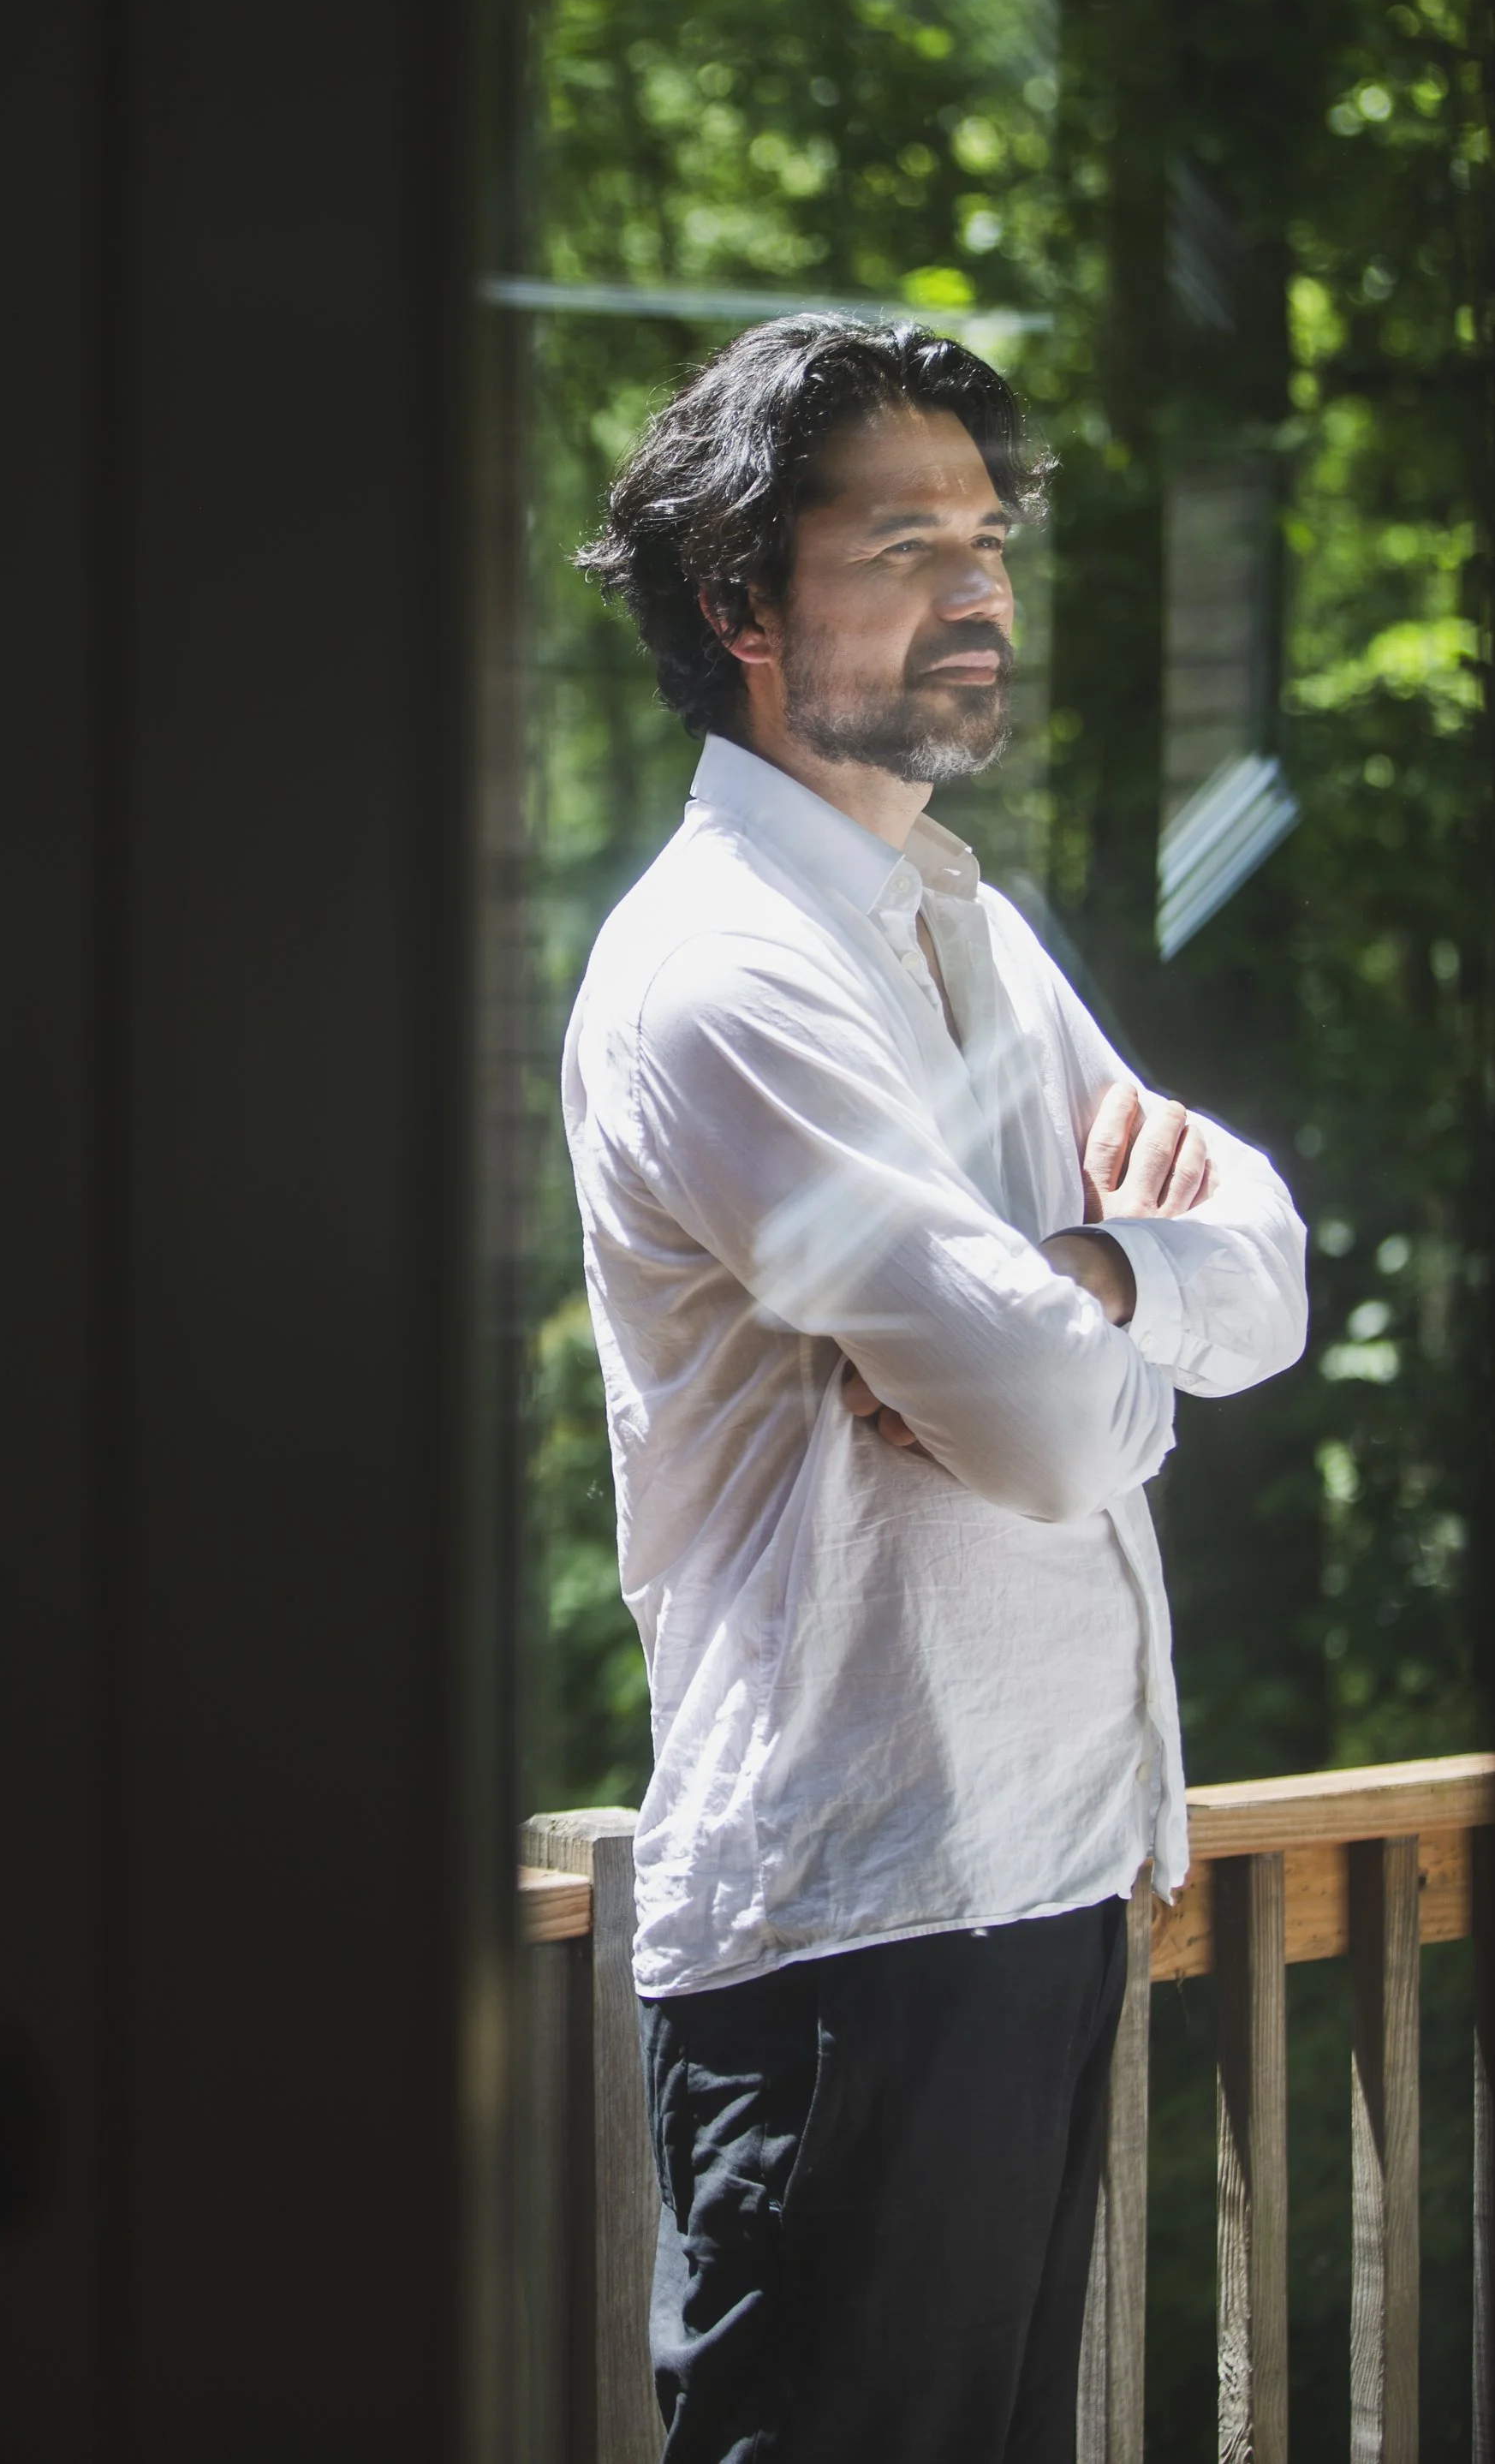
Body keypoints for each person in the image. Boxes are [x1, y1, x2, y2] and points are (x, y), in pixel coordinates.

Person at [562, 316, 1306, 2464]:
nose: (976, 590)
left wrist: (1092, 1278)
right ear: (740, 601)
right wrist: (1087, 1352)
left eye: (986, 540)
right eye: (904, 547)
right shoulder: (719, 973)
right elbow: (1051, 1434)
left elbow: (1261, 1260)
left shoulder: (961, 929)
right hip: (848, 1929)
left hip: (1038, 1881)